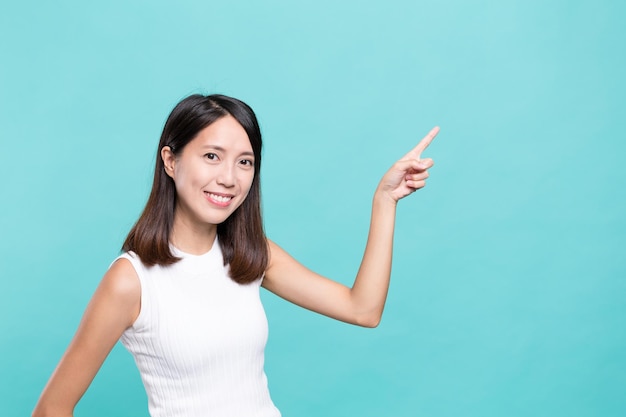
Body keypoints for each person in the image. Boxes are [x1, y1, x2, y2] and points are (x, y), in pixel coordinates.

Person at [32, 94, 438, 417]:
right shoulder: (131, 279)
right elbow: (51, 409)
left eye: (245, 162)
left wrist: (385, 201)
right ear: (170, 160)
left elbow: (362, 310)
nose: (229, 177)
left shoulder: (249, 254)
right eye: (212, 156)